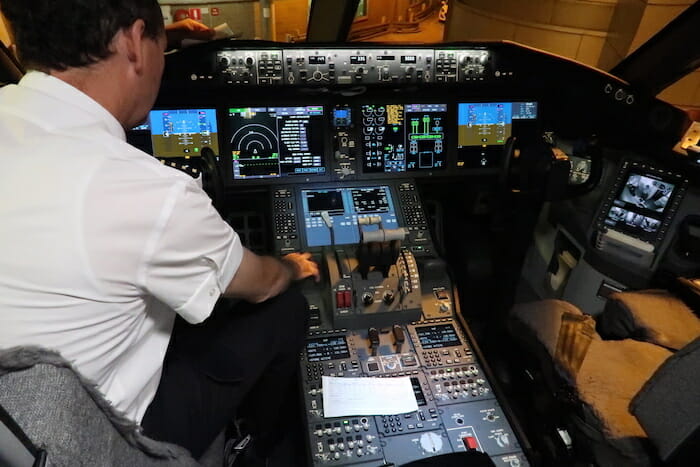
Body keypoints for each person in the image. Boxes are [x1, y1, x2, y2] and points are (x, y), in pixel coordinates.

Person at [0, 0, 319, 462]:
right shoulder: (149, 191)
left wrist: (162, 33)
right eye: (157, 44)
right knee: (285, 307)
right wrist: (291, 264)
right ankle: (257, 448)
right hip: (109, 440)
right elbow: (261, 285)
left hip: (24, 427)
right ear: (133, 42)